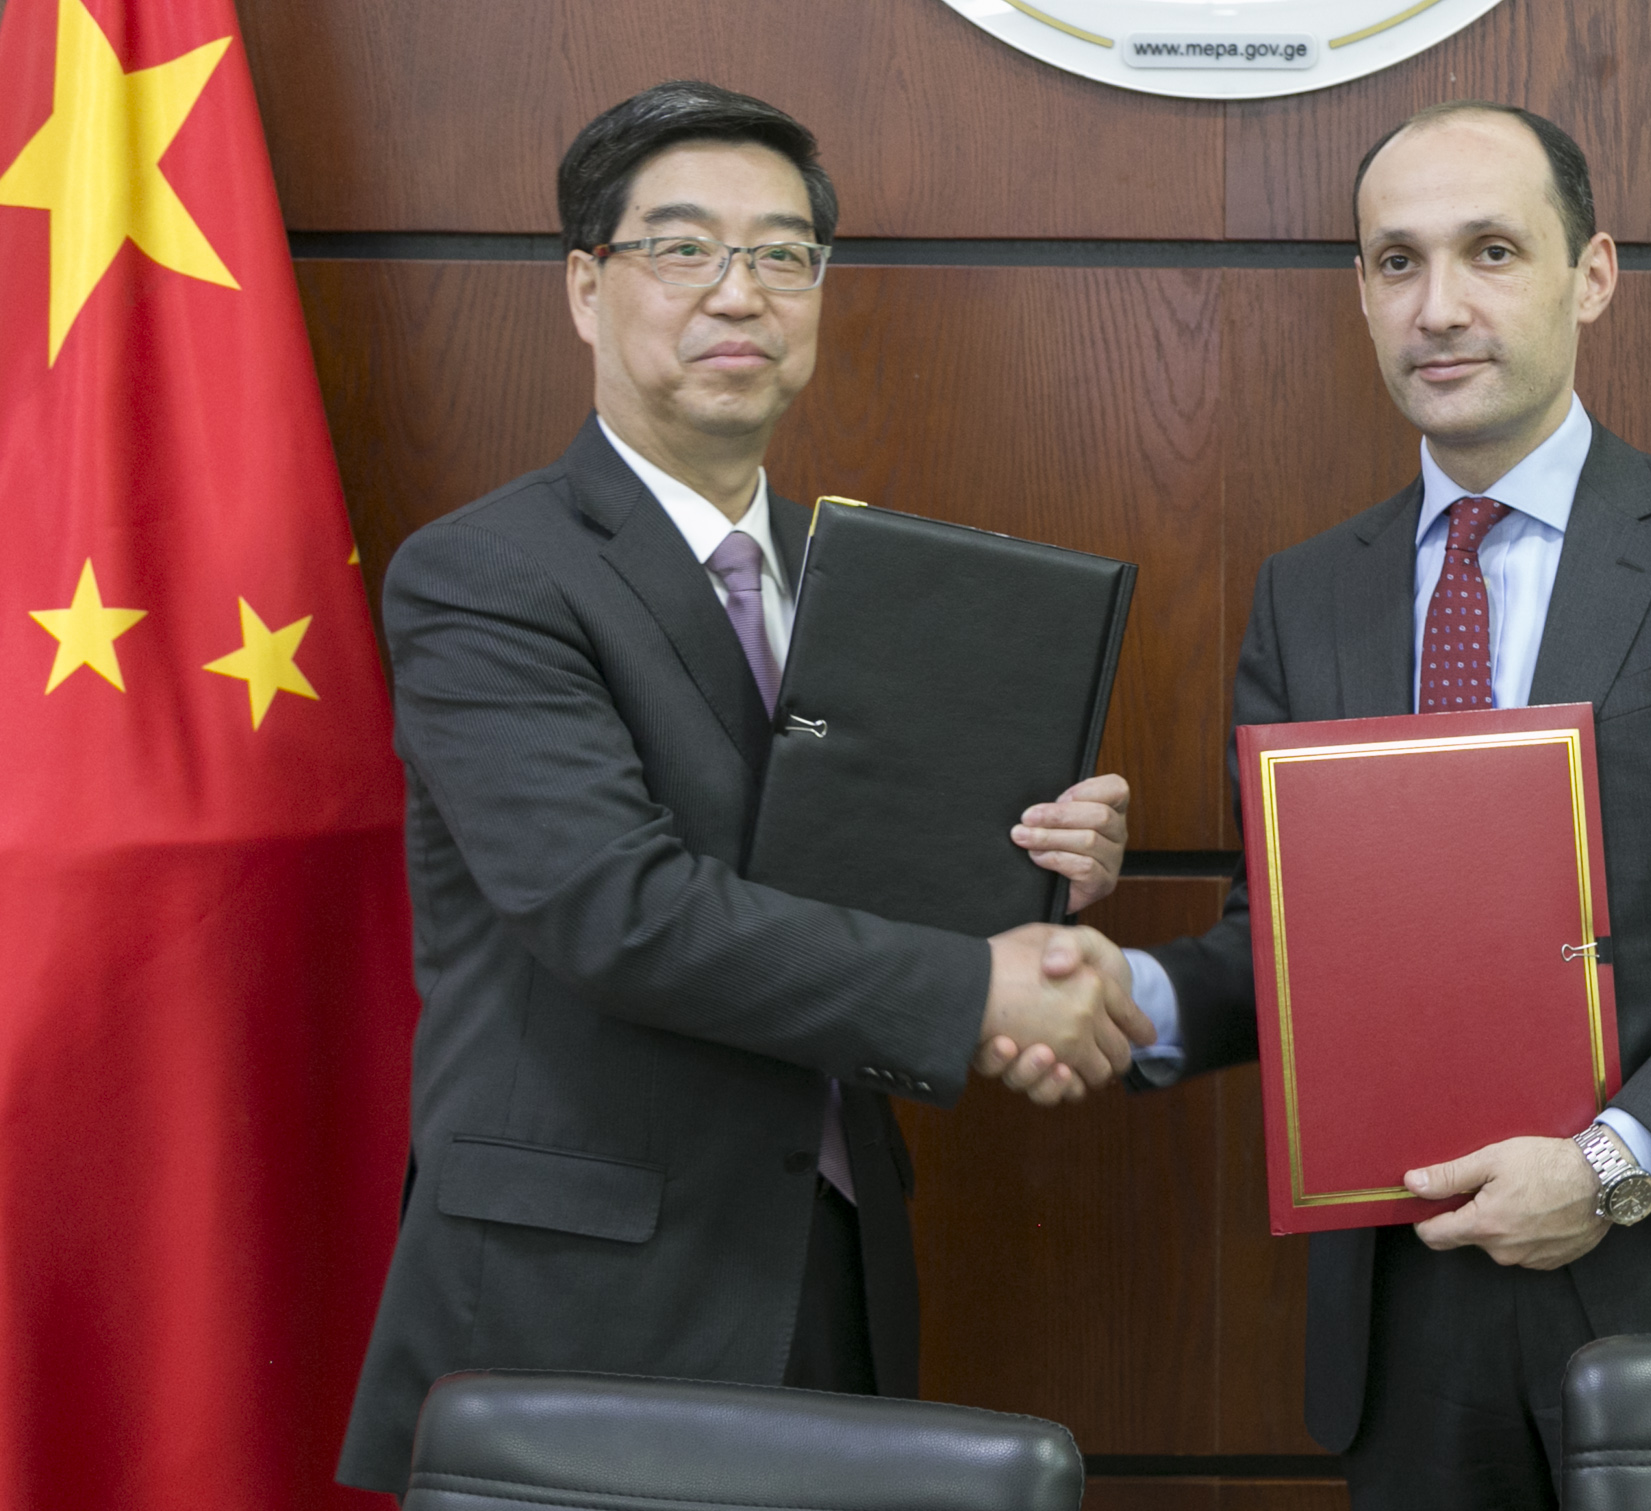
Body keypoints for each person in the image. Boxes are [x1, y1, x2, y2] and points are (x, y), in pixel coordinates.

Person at [334, 81, 1149, 1496]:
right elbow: (616, 911)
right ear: (586, 288)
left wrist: (1032, 876)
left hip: (825, 1259)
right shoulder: (488, 575)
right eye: (683, 247)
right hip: (577, 1297)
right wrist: (980, 987)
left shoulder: (862, 587)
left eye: (783, 254)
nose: (740, 291)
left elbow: (845, 883)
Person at [1116, 102, 1651, 1510]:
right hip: (1410, 1324)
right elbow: (1287, 942)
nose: (1439, 306)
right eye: (1398, 261)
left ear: (1590, 276)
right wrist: (1121, 999)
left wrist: (1609, 1166)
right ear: (1363, 291)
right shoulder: (1310, 594)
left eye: (1491, 251)